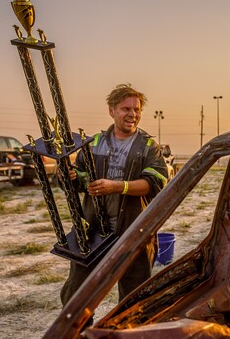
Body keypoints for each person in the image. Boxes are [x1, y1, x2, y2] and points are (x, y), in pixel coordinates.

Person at [60, 83, 169, 308]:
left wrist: (117, 186)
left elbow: (156, 183)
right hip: (91, 230)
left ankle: (128, 338)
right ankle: (78, 336)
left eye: (136, 109)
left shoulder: (148, 146)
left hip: (134, 231)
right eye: (125, 109)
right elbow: (81, 180)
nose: (133, 114)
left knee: (135, 297)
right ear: (111, 111)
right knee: (76, 293)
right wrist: (69, 177)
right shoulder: (94, 143)